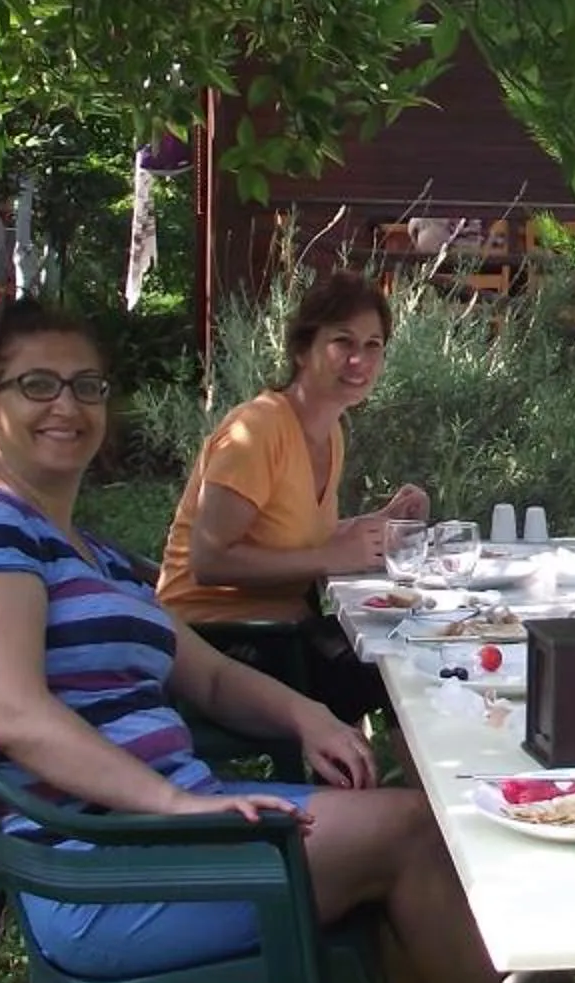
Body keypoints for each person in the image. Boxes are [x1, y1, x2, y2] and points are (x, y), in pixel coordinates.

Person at [0, 298, 575, 983]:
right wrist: (179, 804)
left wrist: (309, 718)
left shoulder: (93, 554)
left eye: (87, 385)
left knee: (415, 817)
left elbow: (212, 678)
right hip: (108, 873)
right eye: (36, 385)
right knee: (412, 830)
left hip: (173, 838)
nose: (67, 406)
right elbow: (16, 718)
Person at [156, 270, 428, 729]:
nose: (359, 360)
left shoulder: (328, 433)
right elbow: (210, 561)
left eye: (373, 345)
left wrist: (381, 523)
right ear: (302, 349)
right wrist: (331, 556)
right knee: (401, 674)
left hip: (283, 630)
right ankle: (408, 798)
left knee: (414, 655)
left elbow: (295, 537)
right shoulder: (258, 430)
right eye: (343, 341)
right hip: (215, 645)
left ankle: (402, 794)